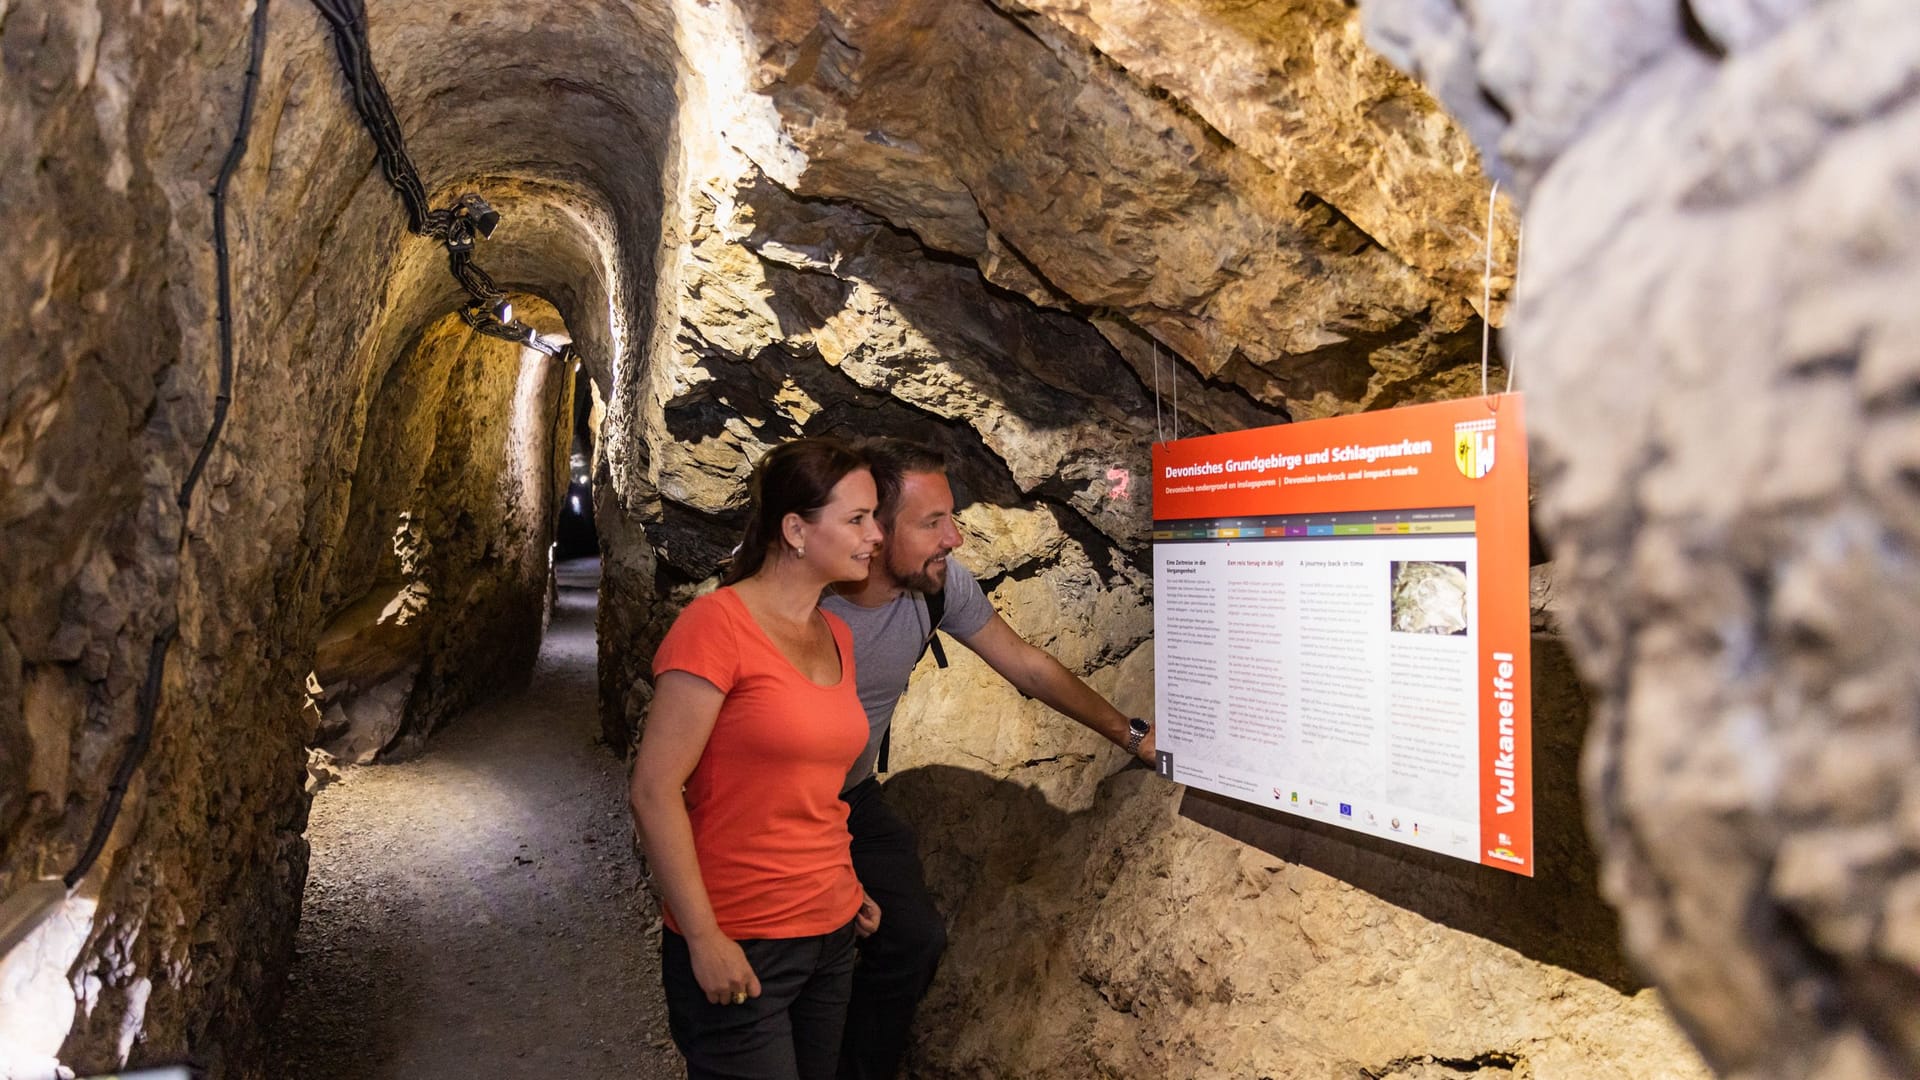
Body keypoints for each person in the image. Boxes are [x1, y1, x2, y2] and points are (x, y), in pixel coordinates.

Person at [821, 438, 1157, 1080]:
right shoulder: (807, 601)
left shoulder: (939, 589)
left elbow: (1027, 665)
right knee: (808, 958)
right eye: (931, 523)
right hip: (779, 809)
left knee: (914, 938)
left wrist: (1131, 733)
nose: (955, 539)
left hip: (852, 795)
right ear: (873, 529)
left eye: (952, 516)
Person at [629, 437, 887, 1080]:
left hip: (828, 934)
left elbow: (813, 789)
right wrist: (705, 938)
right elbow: (654, 791)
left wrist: (843, 884)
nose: (876, 534)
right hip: (741, 937)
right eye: (857, 519)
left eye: (874, 516)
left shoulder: (838, 635)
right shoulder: (716, 627)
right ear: (796, 530)